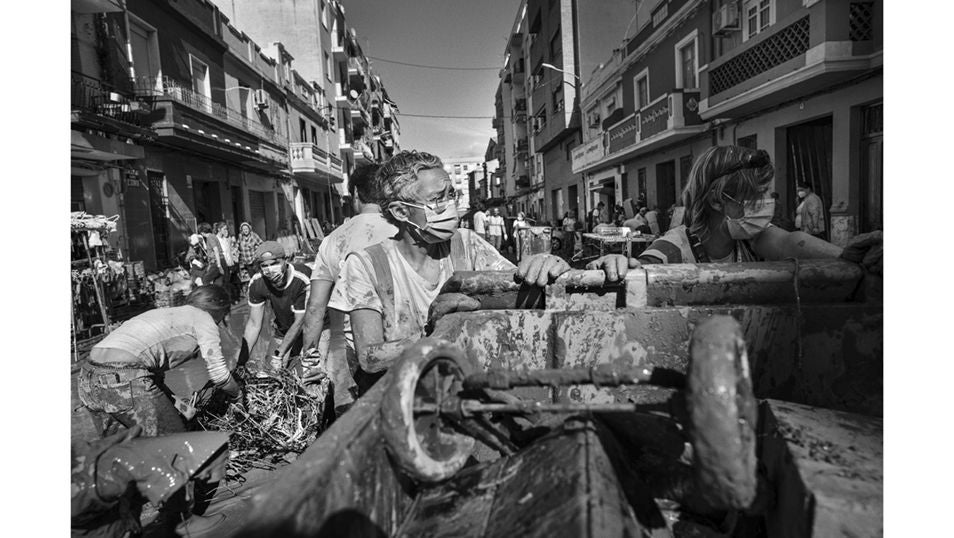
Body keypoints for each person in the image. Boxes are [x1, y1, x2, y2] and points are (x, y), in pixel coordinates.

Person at [327, 150, 631, 391]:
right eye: (436, 200)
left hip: (470, 390)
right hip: (405, 399)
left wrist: (560, 269)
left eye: (450, 195)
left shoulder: (468, 245)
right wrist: (438, 331)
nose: (450, 207)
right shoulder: (366, 265)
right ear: (401, 212)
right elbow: (370, 357)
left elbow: (522, 290)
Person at [637, 146, 882, 274]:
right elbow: (638, 270)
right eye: (757, 193)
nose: (768, 201)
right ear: (717, 200)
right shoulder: (672, 250)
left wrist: (844, 256)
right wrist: (617, 264)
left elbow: (790, 242)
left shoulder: (750, 239)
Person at [77, 285, 242, 437]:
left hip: (88, 381)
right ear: (220, 310)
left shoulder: (162, 314)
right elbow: (219, 375)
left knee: (122, 455)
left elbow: (151, 378)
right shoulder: (204, 319)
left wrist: (183, 408)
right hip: (122, 379)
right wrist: (238, 395)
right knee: (177, 447)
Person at [301, 163, 397, 416]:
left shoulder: (334, 239)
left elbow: (315, 307)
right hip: (399, 341)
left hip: (347, 348)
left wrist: (309, 360)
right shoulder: (403, 232)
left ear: (355, 195)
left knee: (350, 424)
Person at [242, 241, 312, 377]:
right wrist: (241, 360)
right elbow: (254, 324)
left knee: (310, 376)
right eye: (264, 266)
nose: (270, 269)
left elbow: (300, 322)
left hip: (311, 328)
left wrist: (279, 355)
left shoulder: (301, 278)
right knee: (270, 374)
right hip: (283, 327)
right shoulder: (258, 283)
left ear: (285, 261)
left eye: (274, 263)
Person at [236, 221, 263, 288]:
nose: (245, 230)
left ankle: (261, 288)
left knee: (258, 275)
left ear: (249, 228)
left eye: (246, 229)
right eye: (244, 229)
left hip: (254, 259)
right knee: (252, 277)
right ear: (242, 230)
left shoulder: (254, 235)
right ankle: (256, 291)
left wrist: (257, 248)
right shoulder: (240, 237)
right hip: (246, 261)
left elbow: (261, 243)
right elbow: (237, 245)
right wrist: (236, 251)